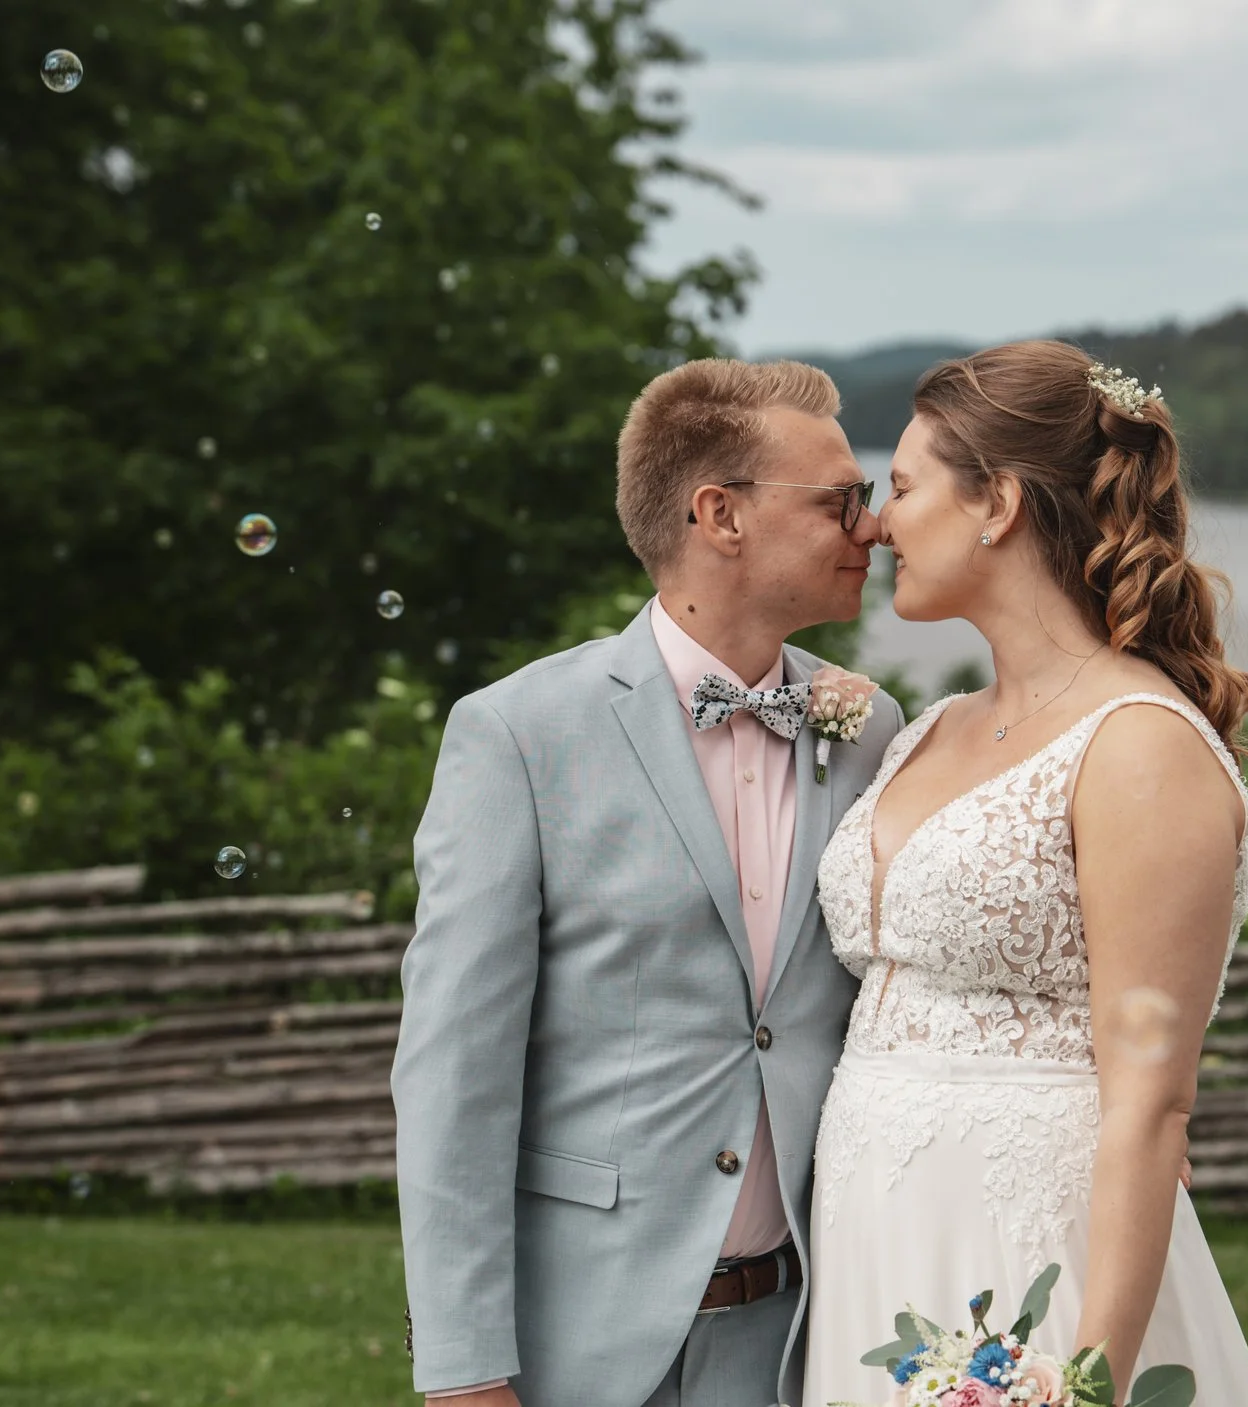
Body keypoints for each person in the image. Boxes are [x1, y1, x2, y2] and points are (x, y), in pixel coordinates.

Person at [394, 358, 904, 1407]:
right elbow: (454, 1072)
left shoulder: (867, 728)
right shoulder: (518, 735)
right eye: (841, 500)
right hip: (583, 1342)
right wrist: (462, 1370)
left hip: (806, 1339)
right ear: (720, 514)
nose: (873, 528)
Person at [803, 341, 1248, 1404]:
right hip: (871, 1239)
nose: (875, 524)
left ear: (997, 504)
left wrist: (1084, 1371)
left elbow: (1149, 1100)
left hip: (1035, 1256)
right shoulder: (926, 731)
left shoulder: (1140, 746)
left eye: (905, 488)